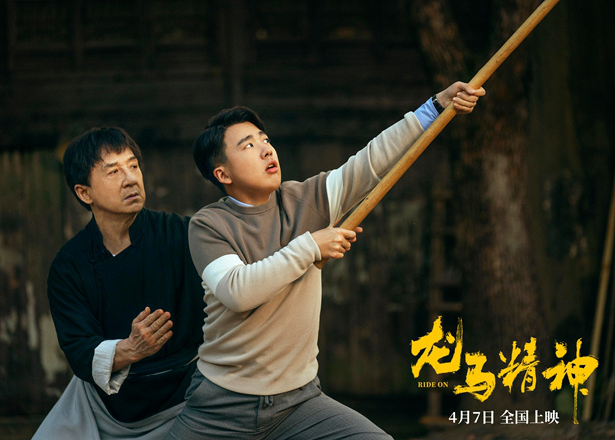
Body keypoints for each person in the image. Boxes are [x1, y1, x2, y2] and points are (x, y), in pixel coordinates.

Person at [164, 82, 485, 439]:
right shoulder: (208, 225)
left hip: (298, 403)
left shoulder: (307, 200)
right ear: (222, 174)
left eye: (265, 139)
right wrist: (311, 246)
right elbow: (238, 292)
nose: (266, 149)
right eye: (249, 145)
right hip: (221, 404)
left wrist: (434, 108)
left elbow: (372, 161)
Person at [32, 127, 206, 440]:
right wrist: (129, 349)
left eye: (133, 166)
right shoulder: (69, 265)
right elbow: (79, 349)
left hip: (188, 396)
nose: (130, 179)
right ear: (84, 193)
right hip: (101, 403)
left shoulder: (182, 234)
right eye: (113, 171)